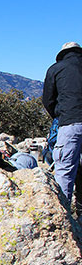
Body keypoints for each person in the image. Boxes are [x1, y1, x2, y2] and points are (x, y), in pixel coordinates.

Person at [42, 42, 82, 207]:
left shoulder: (56, 68)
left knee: (65, 170)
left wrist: (58, 117)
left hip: (70, 123)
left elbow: (48, 100)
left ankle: (65, 219)